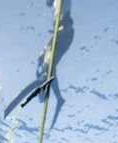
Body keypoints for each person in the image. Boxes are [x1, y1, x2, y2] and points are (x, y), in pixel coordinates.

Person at [36, 0, 74, 130]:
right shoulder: (55, 5)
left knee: (48, 67)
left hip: (65, 31)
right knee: (47, 65)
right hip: (62, 33)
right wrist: (43, 51)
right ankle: (53, 94)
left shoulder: (60, 4)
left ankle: (50, 92)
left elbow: (67, 14)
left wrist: (67, 22)